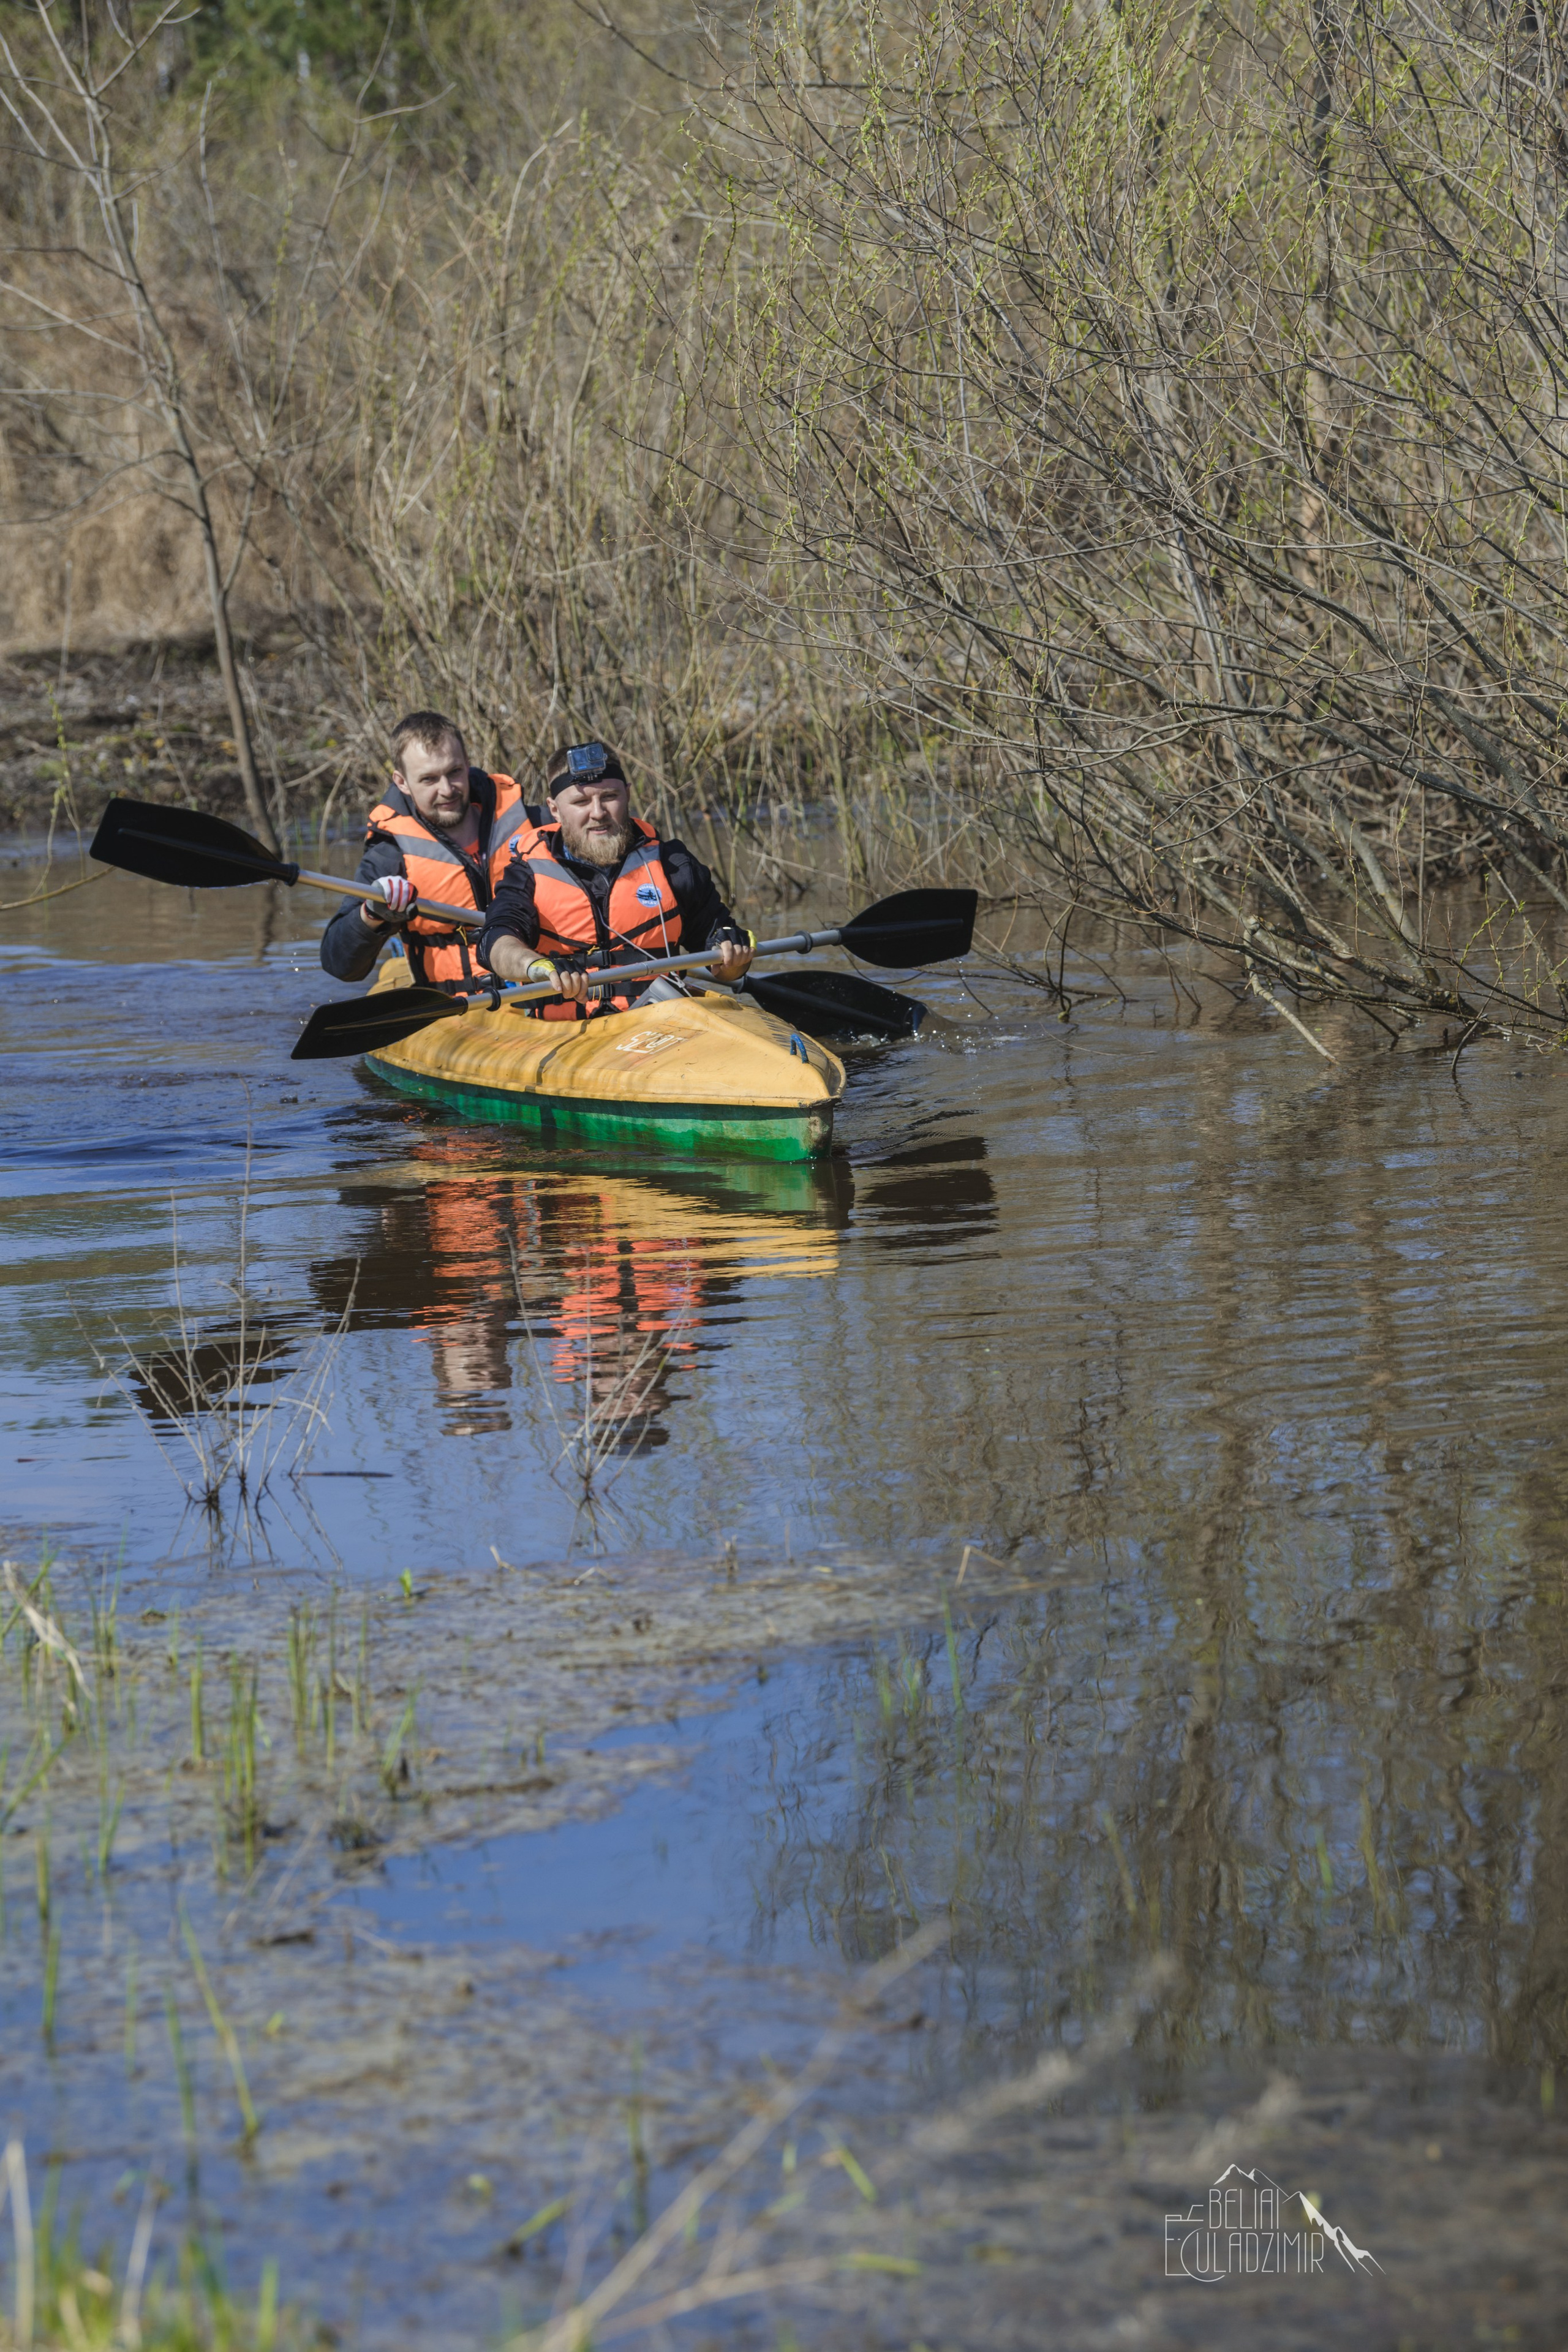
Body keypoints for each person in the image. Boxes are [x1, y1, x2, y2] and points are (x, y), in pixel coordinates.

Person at [478, 740, 753, 1017]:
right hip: (566, 1032)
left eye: (609, 797)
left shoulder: (674, 865)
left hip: (658, 1025)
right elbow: (496, 943)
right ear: (555, 809)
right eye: (581, 801)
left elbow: (726, 970)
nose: (598, 813)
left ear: (628, 795)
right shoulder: (527, 873)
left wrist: (735, 958)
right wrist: (537, 966)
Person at [319, 710, 541, 990]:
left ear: (467, 763)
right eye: (429, 780)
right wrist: (373, 914)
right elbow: (339, 965)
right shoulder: (390, 853)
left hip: (537, 992)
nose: (447, 790)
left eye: (455, 772)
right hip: (457, 1004)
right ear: (402, 782)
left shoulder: (534, 824)